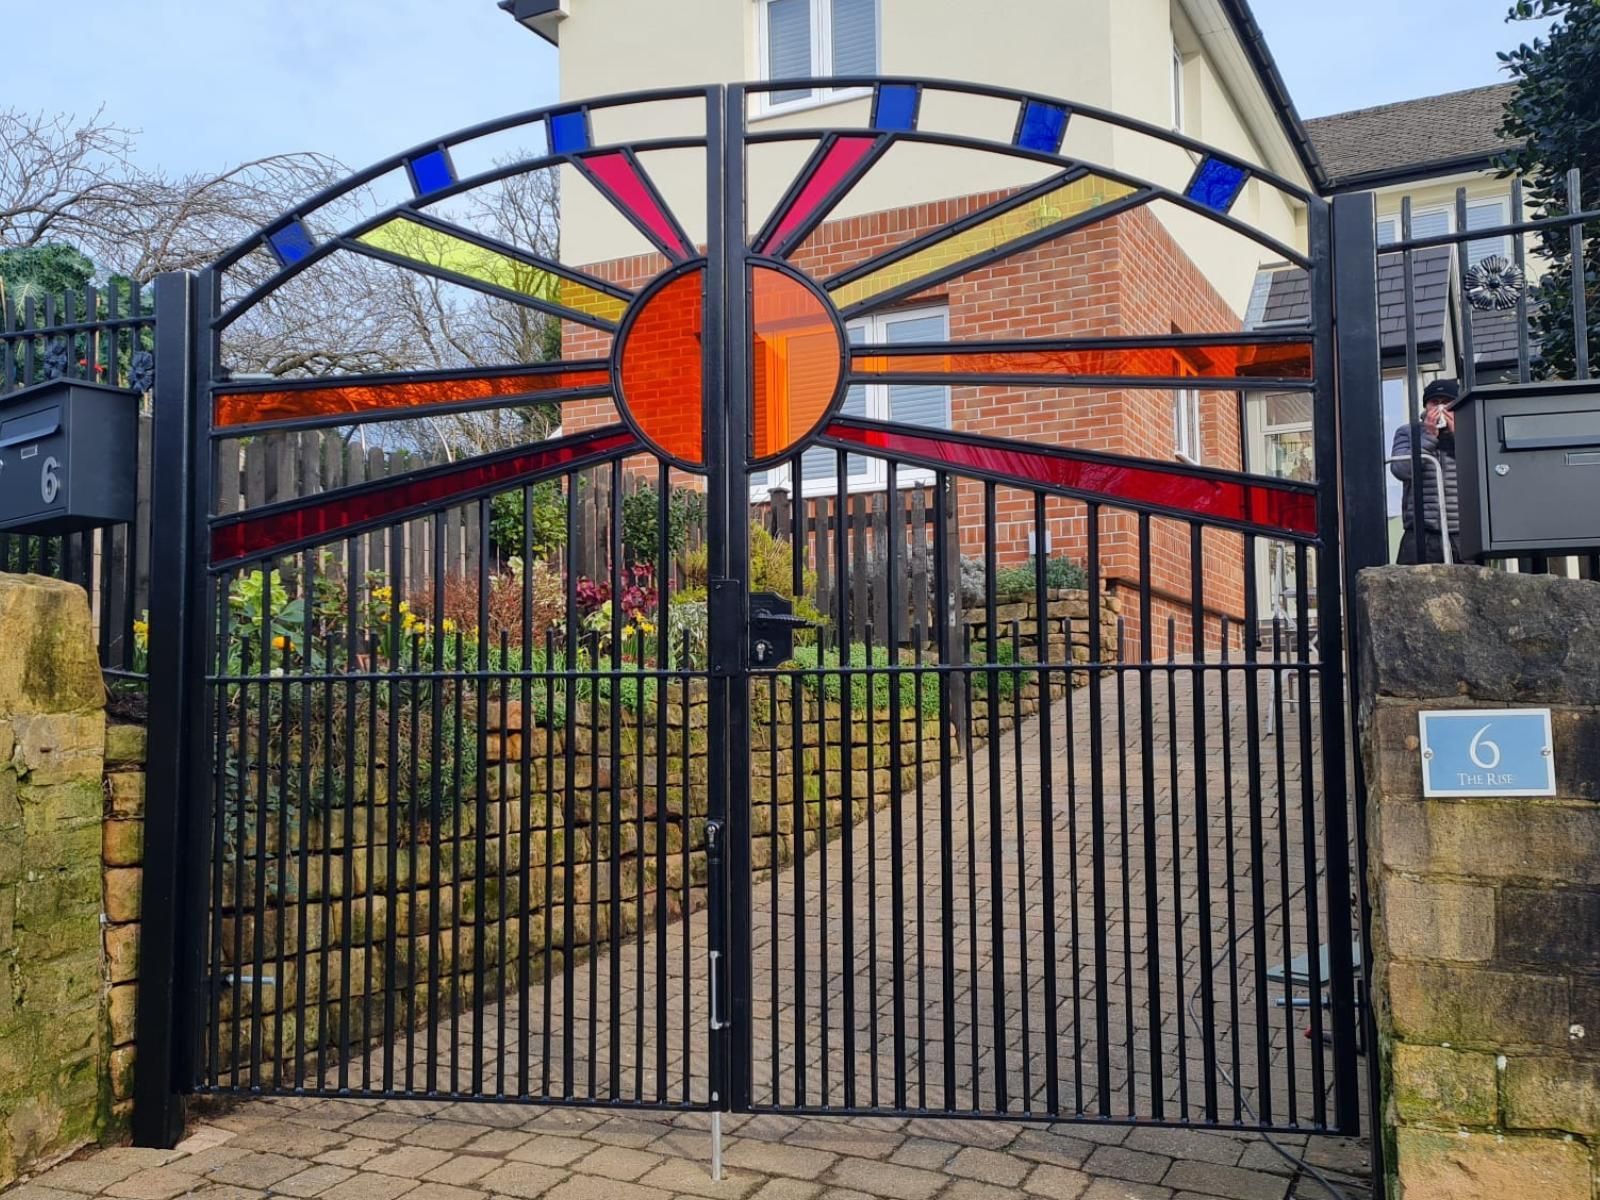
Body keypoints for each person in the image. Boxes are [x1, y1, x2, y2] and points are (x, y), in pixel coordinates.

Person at [1389, 378, 1462, 564]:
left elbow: (1479, 467)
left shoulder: (1471, 428)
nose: (1440, 407)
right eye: (1434, 402)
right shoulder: (1408, 432)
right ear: (1426, 406)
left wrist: (1458, 435)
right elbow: (1400, 469)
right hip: (1420, 531)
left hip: (1462, 531)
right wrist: (1429, 437)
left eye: (1447, 402)